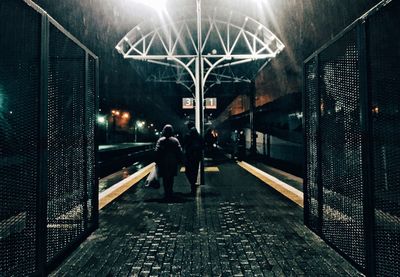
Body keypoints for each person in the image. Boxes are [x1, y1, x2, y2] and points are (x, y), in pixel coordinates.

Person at [155, 124, 183, 199]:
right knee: (171, 177)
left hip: (163, 162)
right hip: (173, 161)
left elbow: (157, 151)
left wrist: (157, 161)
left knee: (165, 177)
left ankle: (166, 192)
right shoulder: (175, 140)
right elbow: (179, 151)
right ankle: (170, 191)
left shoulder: (161, 140)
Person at [183, 122, 203, 195]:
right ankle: (193, 184)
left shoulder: (188, 135)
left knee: (188, 171)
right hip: (197, 156)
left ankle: (192, 184)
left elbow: (184, 144)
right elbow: (203, 145)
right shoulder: (199, 136)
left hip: (189, 156)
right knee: (195, 171)